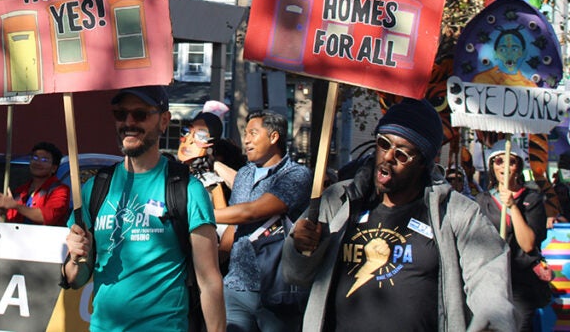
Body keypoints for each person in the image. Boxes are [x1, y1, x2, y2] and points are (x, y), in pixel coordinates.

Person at [284, 97, 514, 332]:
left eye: (402, 154)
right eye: (383, 143)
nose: (388, 157)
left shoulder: (457, 212)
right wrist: (301, 248)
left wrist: (493, 322)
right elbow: (295, 275)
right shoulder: (338, 199)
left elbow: (488, 276)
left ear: (424, 162)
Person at [61, 85, 226, 332]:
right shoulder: (93, 189)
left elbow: (209, 281)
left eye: (140, 114)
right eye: (121, 114)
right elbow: (76, 279)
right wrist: (75, 258)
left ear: (163, 121)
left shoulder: (188, 190)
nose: (129, 122)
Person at [216, 109, 312, 332]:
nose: (246, 139)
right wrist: (215, 266)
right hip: (236, 287)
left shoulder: (296, 175)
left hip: (279, 290)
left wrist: (199, 213)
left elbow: (251, 212)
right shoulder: (244, 175)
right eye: (245, 133)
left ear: (274, 137)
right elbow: (235, 225)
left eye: (253, 133)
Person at [476, 141, 551, 331]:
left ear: (518, 166)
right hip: (490, 281)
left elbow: (527, 245)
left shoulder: (532, 199)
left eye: (511, 161)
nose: (504, 166)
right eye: (499, 161)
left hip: (521, 284)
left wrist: (512, 206)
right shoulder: (482, 200)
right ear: (492, 166)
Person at [0, 141, 71, 225]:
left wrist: (15, 206)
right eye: (35, 158)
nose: (38, 163)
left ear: (54, 168)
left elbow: (49, 217)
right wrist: (3, 214)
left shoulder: (60, 190)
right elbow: (10, 224)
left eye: (44, 160)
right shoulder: (20, 191)